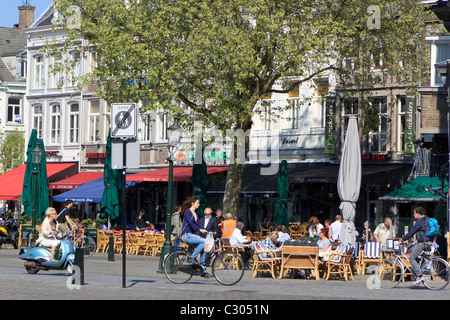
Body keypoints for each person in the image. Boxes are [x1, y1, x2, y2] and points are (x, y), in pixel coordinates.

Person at [398, 206, 433, 284]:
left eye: (414, 213)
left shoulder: (420, 221)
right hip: (429, 242)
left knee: (411, 258)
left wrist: (402, 240)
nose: (413, 215)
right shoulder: (427, 219)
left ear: (418, 213)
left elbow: (412, 232)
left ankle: (419, 275)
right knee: (410, 249)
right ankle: (418, 266)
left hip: (423, 243)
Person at [180, 196, 208, 267]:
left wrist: (207, 230)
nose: (199, 204)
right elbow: (191, 223)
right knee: (204, 241)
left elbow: (199, 225)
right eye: (197, 203)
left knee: (204, 248)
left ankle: (203, 270)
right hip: (186, 235)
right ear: (192, 203)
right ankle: (192, 257)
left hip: (191, 235)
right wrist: (199, 230)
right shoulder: (188, 212)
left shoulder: (195, 214)